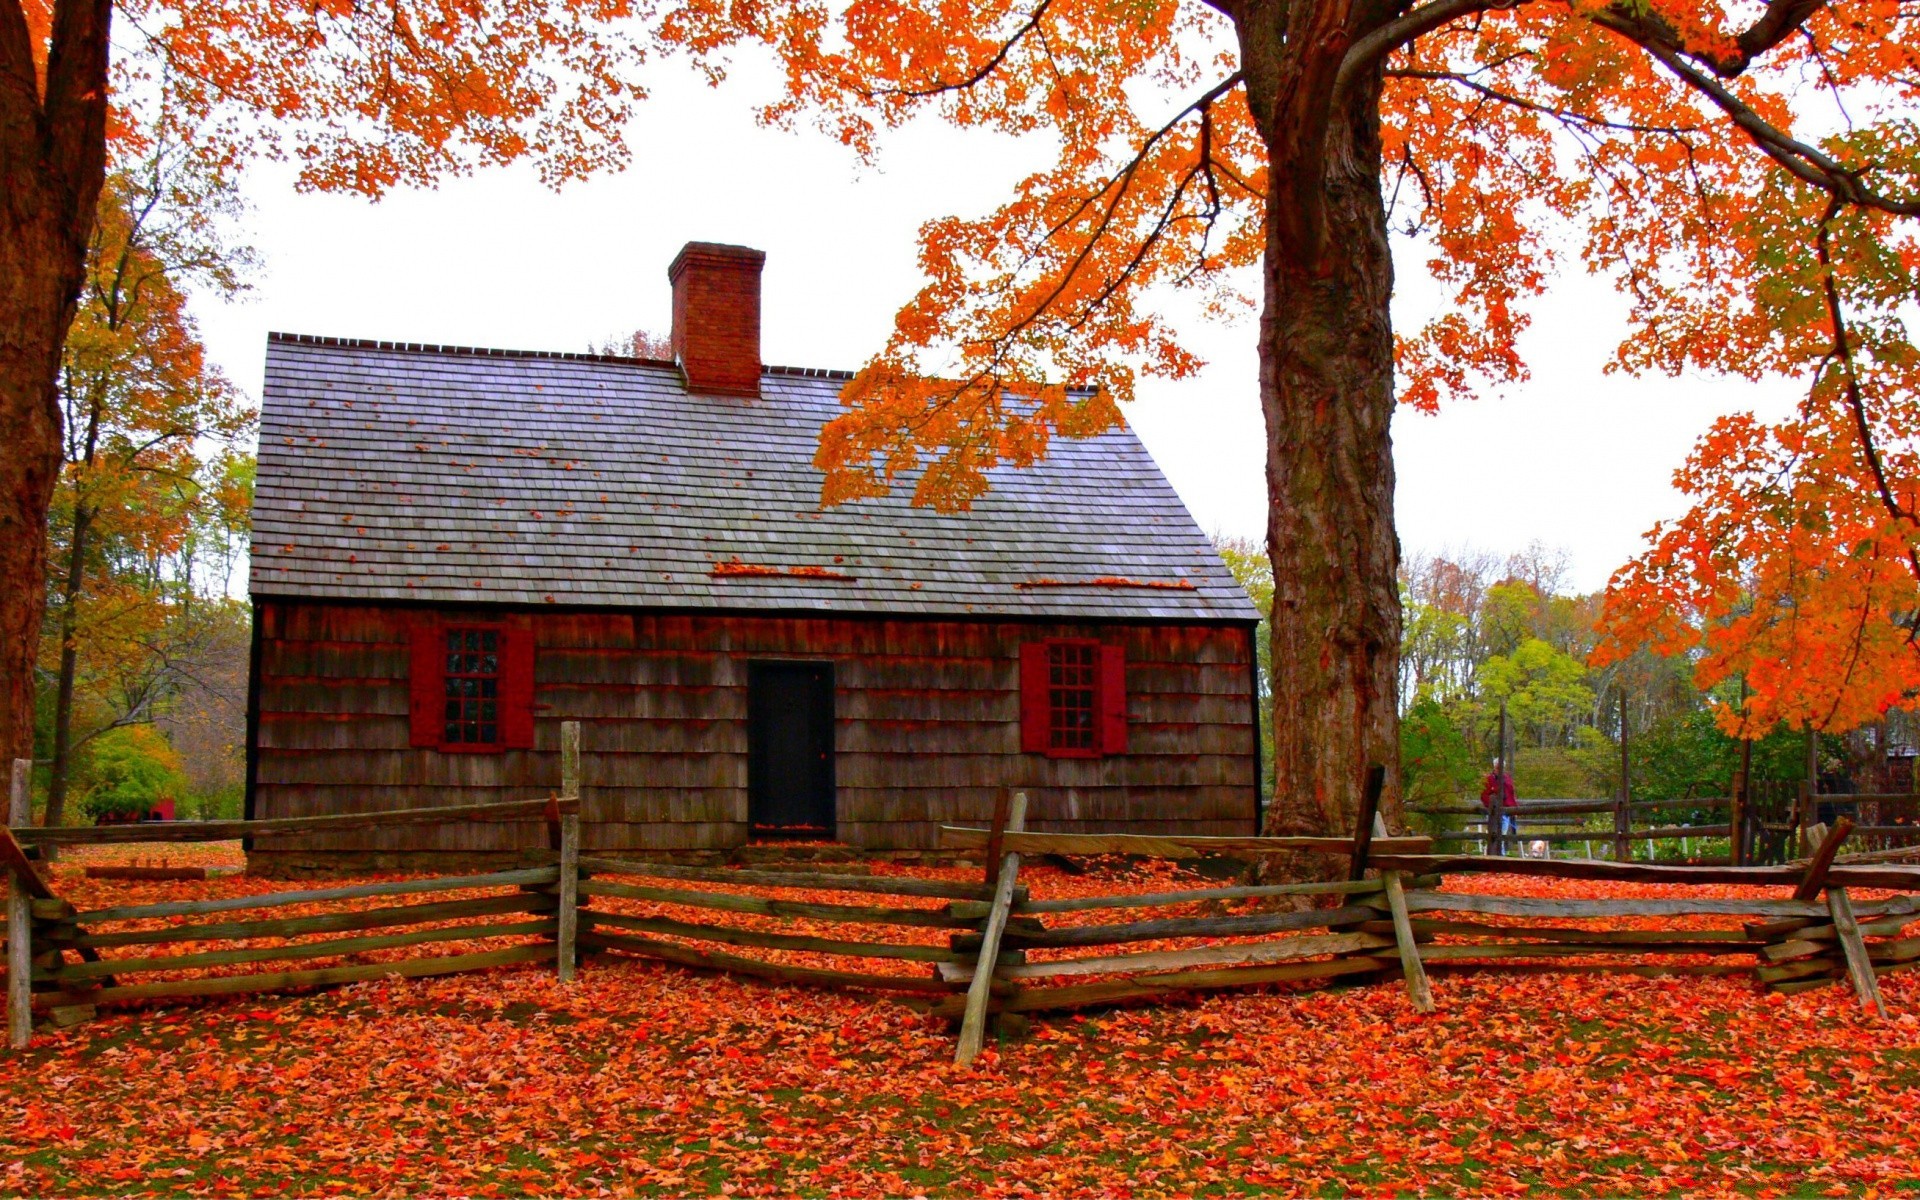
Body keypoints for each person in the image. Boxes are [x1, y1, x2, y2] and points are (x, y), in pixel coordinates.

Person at [1480, 758, 1518, 852]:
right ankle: (1492, 853)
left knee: (1502, 834)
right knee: (1491, 834)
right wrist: (1490, 805)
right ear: (1494, 767)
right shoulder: (1489, 779)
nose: (1499, 769)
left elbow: (1511, 794)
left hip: (1505, 811)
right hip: (1492, 811)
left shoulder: (1507, 779)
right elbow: (1484, 795)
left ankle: (1500, 854)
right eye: (1497, 767)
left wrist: (1514, 809)